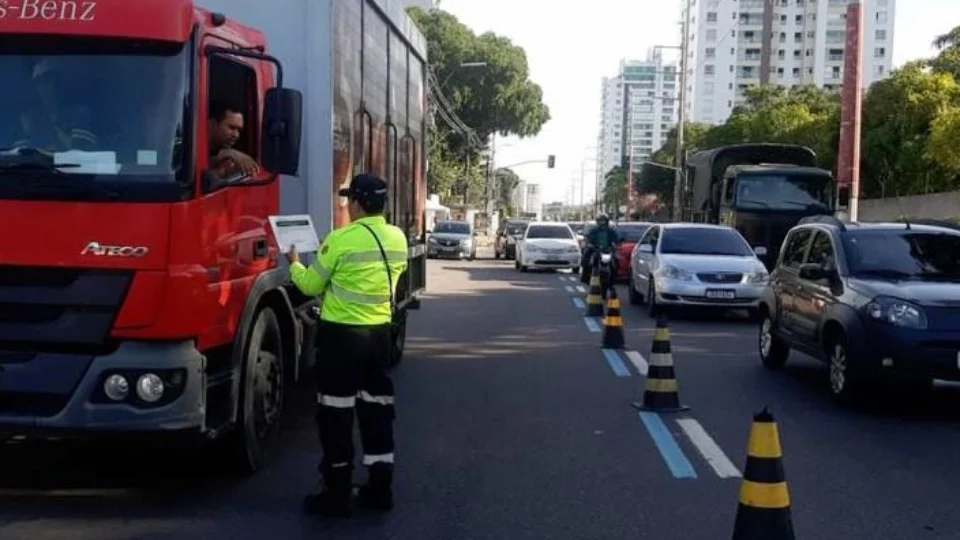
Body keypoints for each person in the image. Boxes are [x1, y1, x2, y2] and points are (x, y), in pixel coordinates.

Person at [287, 173, 408, 518]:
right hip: (379, 338)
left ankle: (337, 494)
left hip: (342, 342)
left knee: (336, 416)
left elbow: (311, 285)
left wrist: (294, 263)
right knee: (377, 414)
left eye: (348, 200)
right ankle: (380, 490)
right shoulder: (397, 238)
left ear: (356, 203)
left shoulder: (340, 239)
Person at [14, 58, 98, 152]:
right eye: (43, 81)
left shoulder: (79, 115)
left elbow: (82, 155)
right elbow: (22, 157)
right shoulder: (29, 120)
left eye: (52, 79)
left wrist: (52, 131)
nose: (50, 86)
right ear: (36, 87)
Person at [207, 99, 259, 178]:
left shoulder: (237, 153)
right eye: (231, 127)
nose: (236, 135)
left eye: (239, 130)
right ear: (212, 124)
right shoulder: (191, 147)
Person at [580, 213, 621, 284]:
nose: (602, 222)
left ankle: (613, 279)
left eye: (604, 221)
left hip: (607, 250)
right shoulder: (594, 231)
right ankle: (585, 276)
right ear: (597, 222)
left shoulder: (610, 231)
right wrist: (590, 244)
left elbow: (615, 240)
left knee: (616, 261)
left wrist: (616, 245)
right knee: (586, 257)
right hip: (595, 250)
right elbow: (589, 239)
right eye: (600, 221)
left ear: (607, 221)